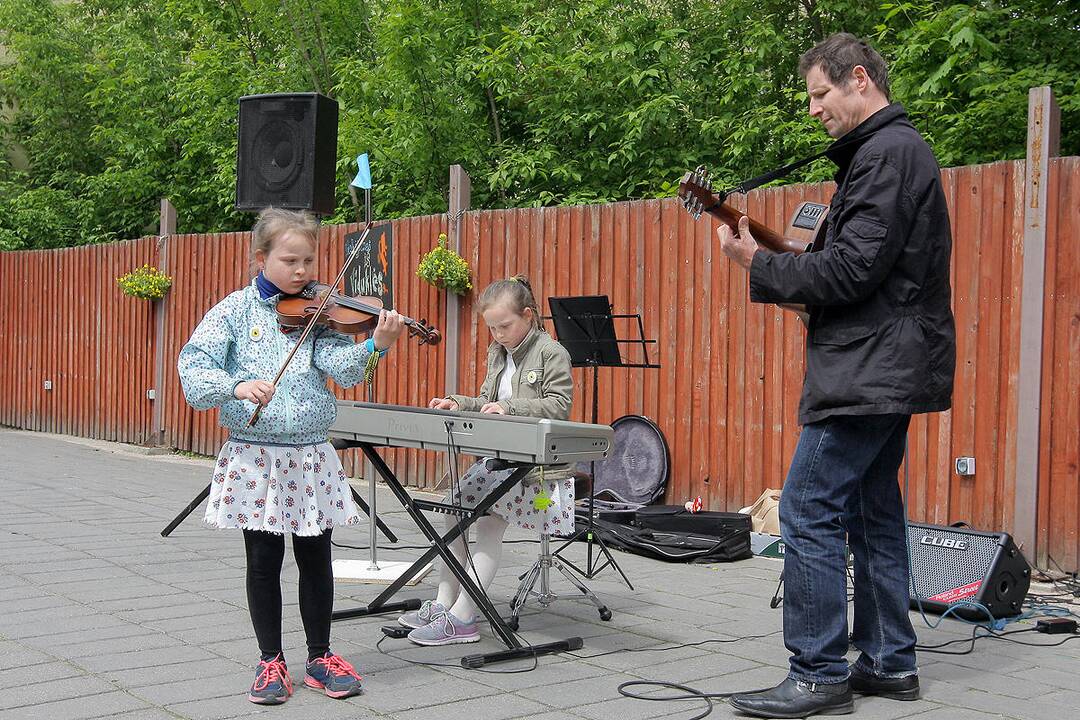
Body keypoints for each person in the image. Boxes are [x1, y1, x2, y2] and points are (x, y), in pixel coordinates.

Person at [719, 34, 956, 718]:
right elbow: (855, 278)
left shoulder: (886, 155)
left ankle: (819, 674)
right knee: (871, 511)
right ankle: (888, 663)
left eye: (820, 94)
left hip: (868, 371)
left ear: (859, 80)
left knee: (807, 507)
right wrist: (776, 268)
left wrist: (752, 265)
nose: (814, 109)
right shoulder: (889, 155)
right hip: (884, 363)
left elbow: (850, 271)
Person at [177, 208, 406, 705]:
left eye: (309, 260)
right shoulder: (233, 311)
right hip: (255, 457)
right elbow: (193, 371)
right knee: (263, 560)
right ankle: (270, 661)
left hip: (308, 457)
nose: (303, 272)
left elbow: (341, 370)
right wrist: (236, 385)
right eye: (290, 260)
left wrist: (376, 347)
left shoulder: (316, 313)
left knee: (316, 558)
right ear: (261, 258)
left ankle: (321, 656)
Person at [397, 275, 575, 645]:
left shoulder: (550, 352)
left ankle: (464, 618)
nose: (498, 335)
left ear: (529, 315)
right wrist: (459, 403)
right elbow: (486, 403)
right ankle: (445, 603)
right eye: (492, 328)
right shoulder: (499, 353)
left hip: (534, 469)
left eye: (505, 326)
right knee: (452, 512)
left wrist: (509, 408)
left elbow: (560, 407)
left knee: (489, 523)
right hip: (499, 460)